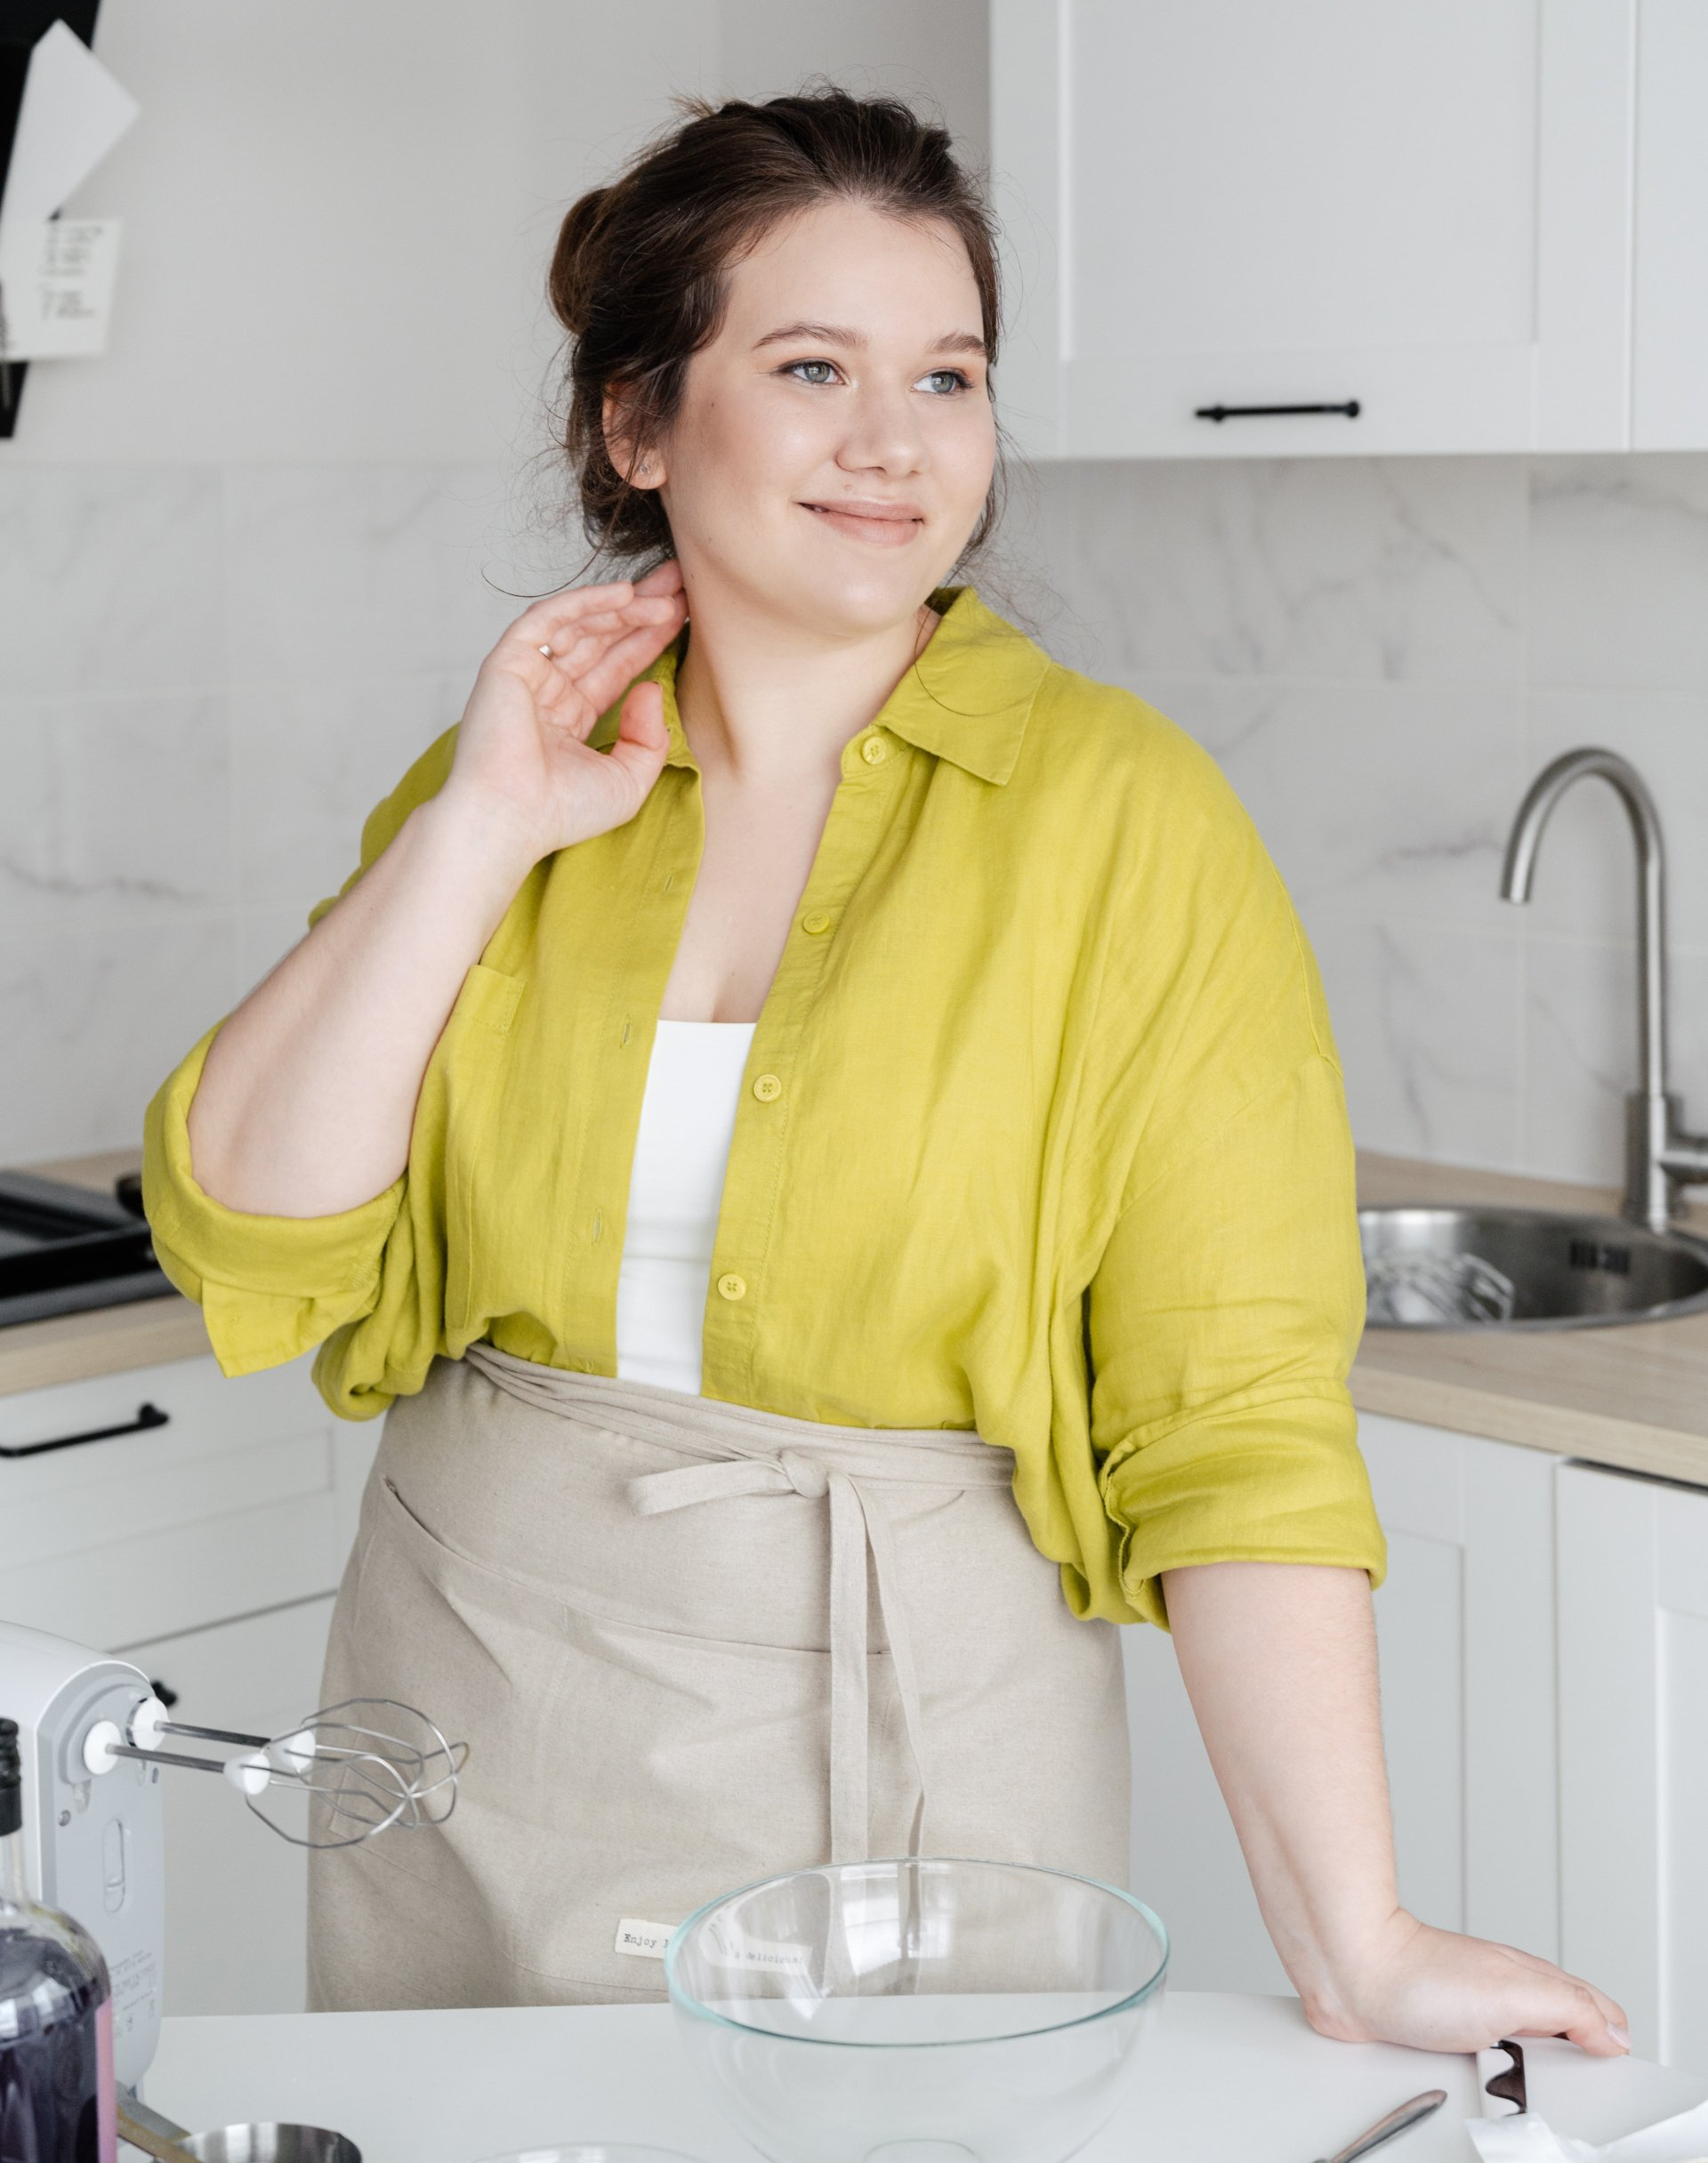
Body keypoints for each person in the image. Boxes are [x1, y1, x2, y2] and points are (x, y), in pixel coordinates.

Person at [141, 86, 1627, 2052]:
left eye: (948, 375)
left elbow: (1232, 1416)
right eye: (814, 365)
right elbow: (245, 1228)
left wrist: (1358, 1936)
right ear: (640, 420)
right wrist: (479, 827)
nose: (893, 444)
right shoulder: (512, 787)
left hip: (920, 1789)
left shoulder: (1124, 822)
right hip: (464, 1745)